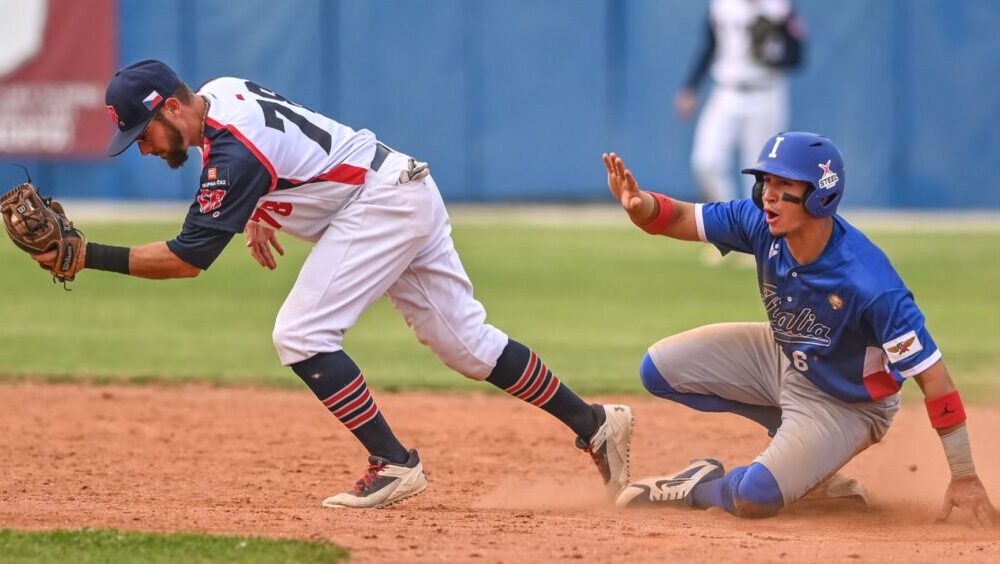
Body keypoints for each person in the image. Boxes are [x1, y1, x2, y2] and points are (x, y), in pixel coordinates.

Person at [31, 59, 634, 509]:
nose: (141, 148)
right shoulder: (222, 90)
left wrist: (84, 256)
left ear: (170, 108)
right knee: (468, 346)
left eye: (142, 134)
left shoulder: (233, 154)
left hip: (379, 206)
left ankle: (393, 462)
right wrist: (260, 206)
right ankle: (593, 424)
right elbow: (286, 150)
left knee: (301, 334)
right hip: (402, 188)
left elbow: (189, 258)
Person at [602, 131, 996, 524]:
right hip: (783, 355)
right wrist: (642, 207)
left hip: (846, 404)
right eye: (765, 182)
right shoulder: (759, 222)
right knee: (658, 369)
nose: (768, 195)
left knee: (754, 497)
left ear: (819, 196)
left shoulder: (871, 284)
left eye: (784, 184)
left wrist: (964, 475)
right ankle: (813, 473)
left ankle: (701, 487)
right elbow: (681, 217)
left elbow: (934, 378)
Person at [676, 0, 805, 203]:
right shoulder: (721, 6)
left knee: (761, 171)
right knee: (706, 163)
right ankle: (730, 215)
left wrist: (770, 57)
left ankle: (754, 218)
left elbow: (797, 55)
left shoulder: (779, 8)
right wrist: (691, 87)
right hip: (726, 91)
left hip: (765, 92)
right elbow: (709, 47)